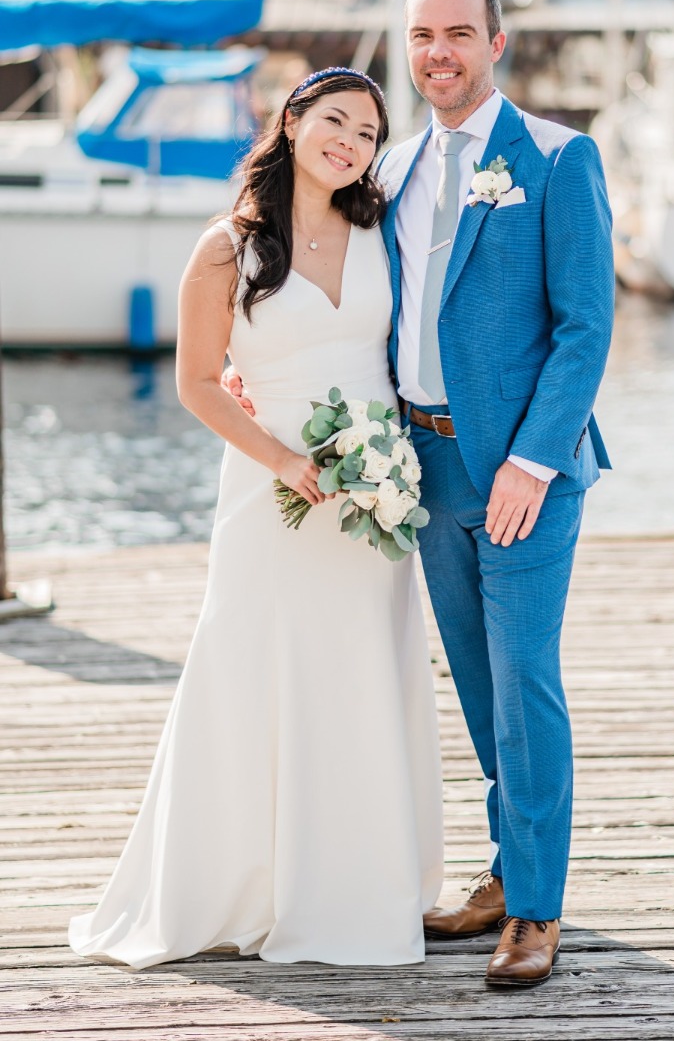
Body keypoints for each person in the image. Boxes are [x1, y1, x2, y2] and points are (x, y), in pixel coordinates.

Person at [232, 0, 615, 989]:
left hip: (525, 467)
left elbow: (586, 328)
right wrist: (253, 346)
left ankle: (535, 909)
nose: (437, 52)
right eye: (420, 36)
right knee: (480, 685)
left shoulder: (556, 157)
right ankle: (505, 870)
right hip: (421, 464)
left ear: (496, 43)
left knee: (526, 684)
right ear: (405, 49)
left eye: (457, 32)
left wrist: (534, 461)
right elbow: (341, 282)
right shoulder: (387, 169)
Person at [68, 69, 444, 969]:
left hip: (372, 493)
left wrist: (382, 460)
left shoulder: (381, 232)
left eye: (366, 130)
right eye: (334, 120)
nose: (349, 140)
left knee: (363, 669)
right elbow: (198, 382)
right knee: (255, 669)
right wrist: (282, 458)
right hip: (271, 494)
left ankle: (359, 886)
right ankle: (239, 883)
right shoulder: (226, 248)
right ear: (293, 122)